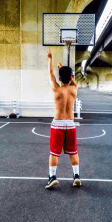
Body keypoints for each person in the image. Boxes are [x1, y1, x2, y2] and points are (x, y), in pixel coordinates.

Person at [45, 50, 81, 189]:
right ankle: (77, 176)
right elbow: (71, 79)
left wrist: (50, 58)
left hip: (58, 124)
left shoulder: (56, 89)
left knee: (54, 152)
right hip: (70, 124)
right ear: (71, 77)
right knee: (73, 151)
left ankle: (52, 177)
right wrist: (63, 70)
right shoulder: (74, 89)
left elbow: (50, 75)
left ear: (60, 78)